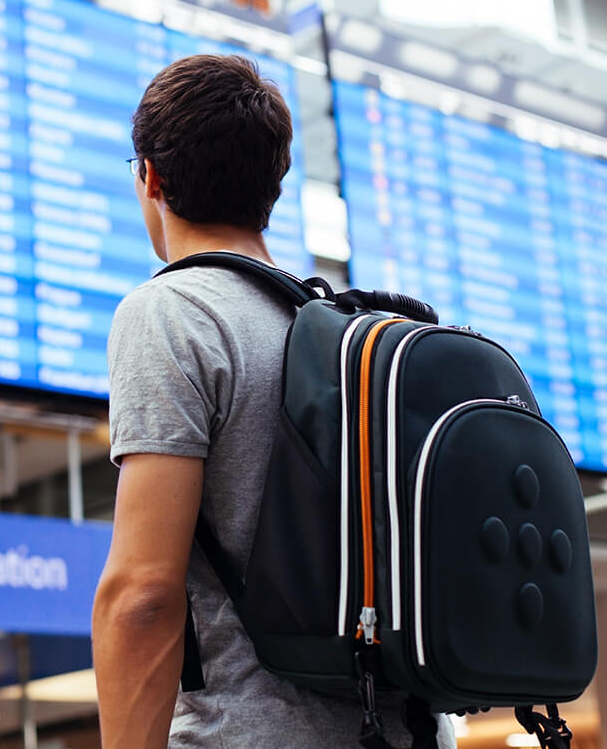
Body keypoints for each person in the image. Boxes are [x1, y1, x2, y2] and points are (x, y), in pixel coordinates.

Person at [92, 54, 456, 748]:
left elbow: (141, 593)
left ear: (151, 178)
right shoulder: (353, 334)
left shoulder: (172, 312)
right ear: (275, 186)